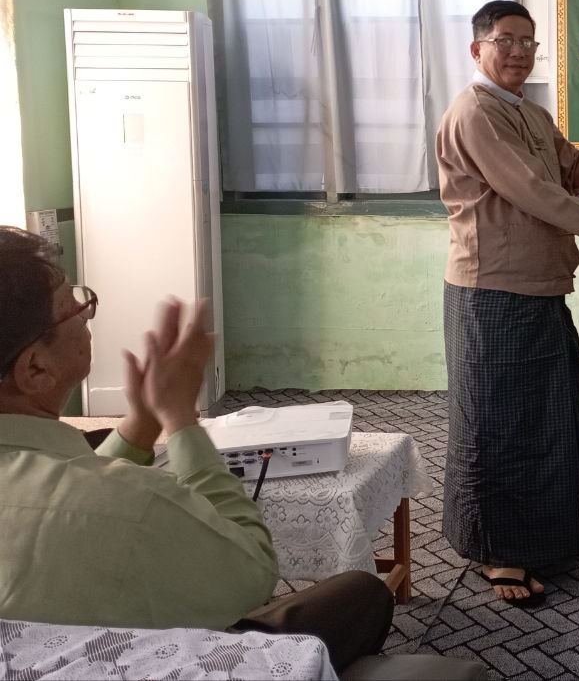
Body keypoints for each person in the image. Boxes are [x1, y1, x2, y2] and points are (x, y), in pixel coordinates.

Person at [0, 226, 392, 672]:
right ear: (35, 368)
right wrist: (180, 418)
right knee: (363, 593)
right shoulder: (135, 504)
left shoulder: (80, 493)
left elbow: (63, 495)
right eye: (72, 307)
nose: (84, 313)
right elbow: (252, 569)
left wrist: (142, 423)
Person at [436, 0, 579, 608]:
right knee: (498, 423)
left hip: (540, 286)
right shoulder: (475, 112)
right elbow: (532, 192)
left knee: (553, 415)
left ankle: (541, 536)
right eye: (505, 40)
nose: (518, 52)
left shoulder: (528, 113)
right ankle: (498, 549)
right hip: (492, 291)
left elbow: (570, 172)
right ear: (477, 48)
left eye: (528, 42)